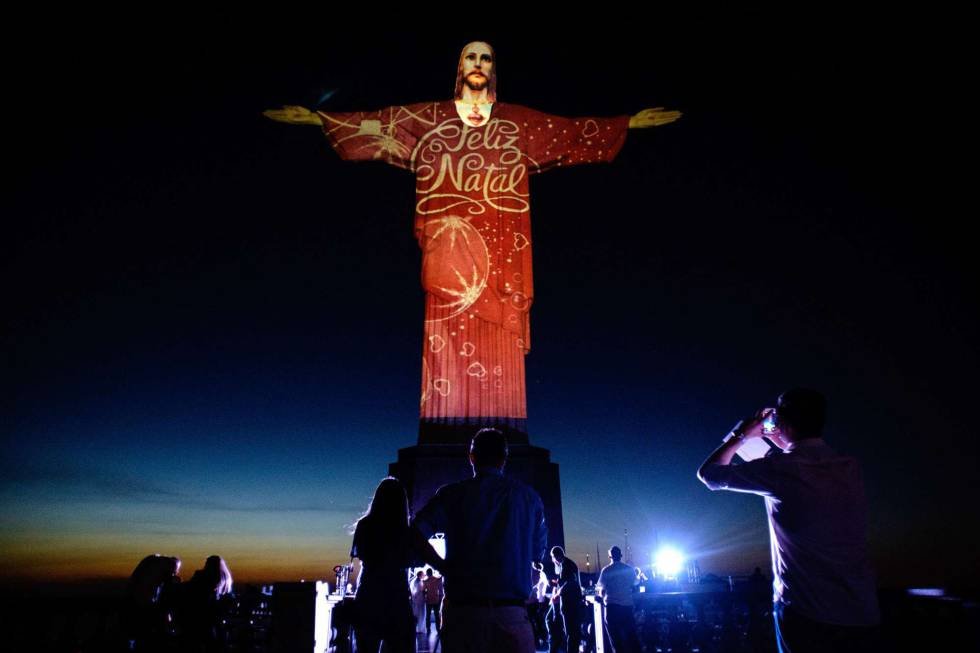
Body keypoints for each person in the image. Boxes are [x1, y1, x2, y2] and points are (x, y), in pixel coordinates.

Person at [264, 41, 680, 444]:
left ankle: (504, 431)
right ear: (460, 68)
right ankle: (444, 425)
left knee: (500, 335)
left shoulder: (517, 122)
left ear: (493, 69)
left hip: (502, 252)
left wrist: (627, 124)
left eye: (485, 57)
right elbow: (378, 124)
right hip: (450, 249)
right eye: (471, 57)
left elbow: (569, 133)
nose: (478, 63)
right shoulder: (430, 118)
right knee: (445, 330)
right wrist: (318, 120)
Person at [697, 388, 880, 653]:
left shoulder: (781, 470)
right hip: (861, 611)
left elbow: (710, 474)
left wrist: (742, 435)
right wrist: (785, 443)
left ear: (781, 422)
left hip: (807, 612)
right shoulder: (849, 466)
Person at [411, 427, 548, 653]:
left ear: (471, 457)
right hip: (512, 615)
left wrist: (443, 567)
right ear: (504, 458)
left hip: (463, 616)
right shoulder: (530, 498)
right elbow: (537, 554)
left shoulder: (451, 495)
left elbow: (415, 533)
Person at [350, 477, 417, 653]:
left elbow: (362, 555)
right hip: (397, 597)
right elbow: (412, 560)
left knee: (366, 648)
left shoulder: (365, 525)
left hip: (368, 595)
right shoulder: (404, 531)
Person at [178, 555, 234, 652]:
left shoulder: (201, 576)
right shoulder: (225, 579)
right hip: (215, 616)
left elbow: (191, 590)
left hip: (200, 614)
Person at [596, 546, 640, 653]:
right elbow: (635, 582)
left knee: (615, 640)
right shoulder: (629, 569)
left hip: (612, 608)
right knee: (631, 637)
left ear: (610, 556)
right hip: (627, 607)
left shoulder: (606, 570)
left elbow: (600, 586)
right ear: (621, 555)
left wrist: (601, 593)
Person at [549, 546, 582, 653]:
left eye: (553, 558)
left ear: (555, 556)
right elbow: (569, 581)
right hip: (574, 603)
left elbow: (569, 583)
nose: (553, 560)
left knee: (571, 633)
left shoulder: (565, 565)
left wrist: (558, 593)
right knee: (574, 633)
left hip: (569, 604)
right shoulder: (569, 564)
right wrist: (558, 582)